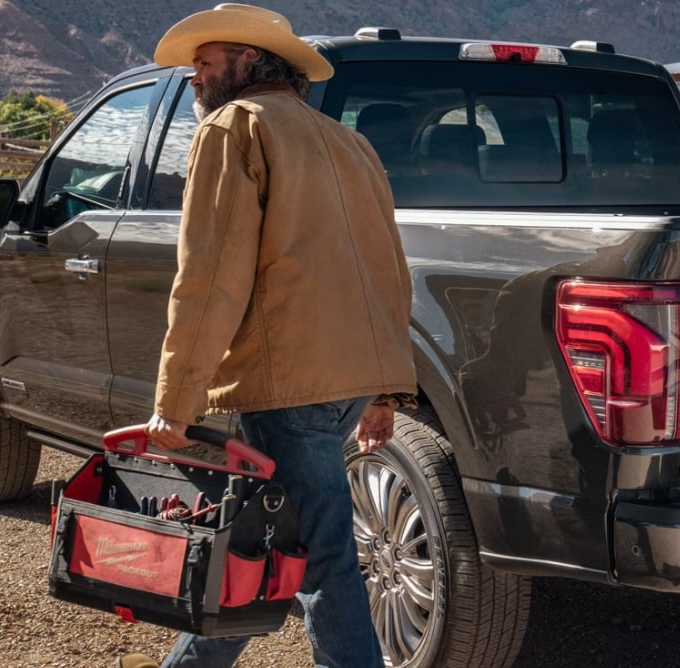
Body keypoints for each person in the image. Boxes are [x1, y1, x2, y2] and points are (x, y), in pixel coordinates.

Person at [118, 4, 419, 667]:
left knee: (317, 555)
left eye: (205, 61)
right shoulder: (348, 141)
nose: (193, 76)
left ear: (248, 60)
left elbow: (210, 276)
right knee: (262, 540)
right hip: (345, 381)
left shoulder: (234, 125)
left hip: (288, 382)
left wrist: (177, 401)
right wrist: (382, 391)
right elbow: (387, 269)